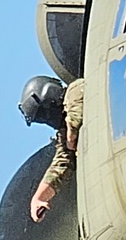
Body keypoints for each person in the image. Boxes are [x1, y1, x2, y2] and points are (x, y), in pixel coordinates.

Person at [24, 76, 84, 223]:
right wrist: (38, 198)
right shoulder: (64, 132)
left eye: (44, 116)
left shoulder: (75, 90)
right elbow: (61, 164)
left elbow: (78, 109)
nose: (49, 120)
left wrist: (71, 135)